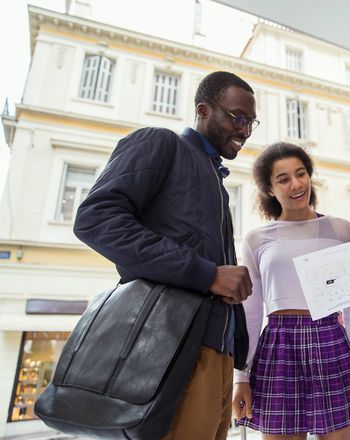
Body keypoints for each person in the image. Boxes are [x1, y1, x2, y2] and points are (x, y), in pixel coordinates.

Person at [73, 71, 257, 440]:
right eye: (237, 117)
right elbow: (95, 220)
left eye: (251, 121)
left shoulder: (216, 181)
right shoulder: (160, 143)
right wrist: (207, 274)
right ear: (203, 110)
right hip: (173, 350)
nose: (246, 130)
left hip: (216, 353)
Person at [232, 142, 350, 439]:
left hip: (332, 342)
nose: (295, 184)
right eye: (283, 179)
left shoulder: (339, 230)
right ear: (270, 189)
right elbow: (252, 312)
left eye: (300, 174)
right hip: (278, 345)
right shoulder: (257, 239)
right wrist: (240, 375)